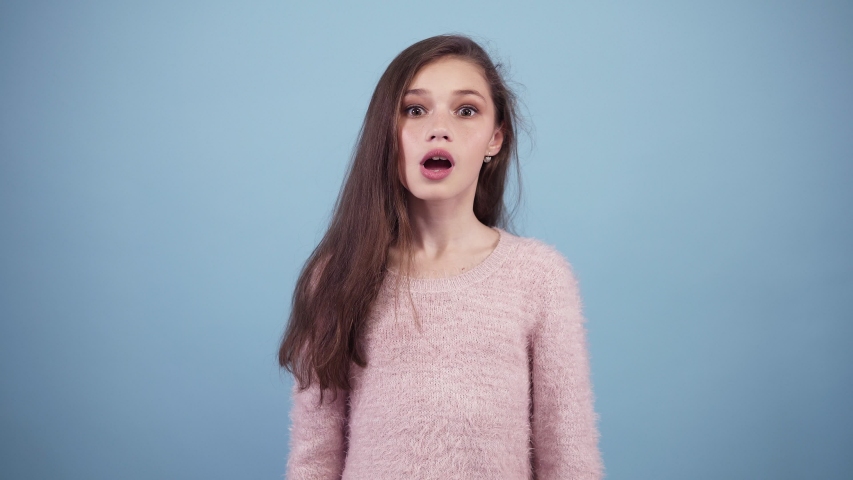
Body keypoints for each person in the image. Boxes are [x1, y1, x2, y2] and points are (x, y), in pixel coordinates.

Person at [279, 34, 602, 479]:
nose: (439, 127)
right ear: (387, 135)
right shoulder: (337, 275)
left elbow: (570, 456)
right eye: (415, 109)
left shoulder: (539, 277)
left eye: (466, 110)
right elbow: (313, 458)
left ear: (495, 138)